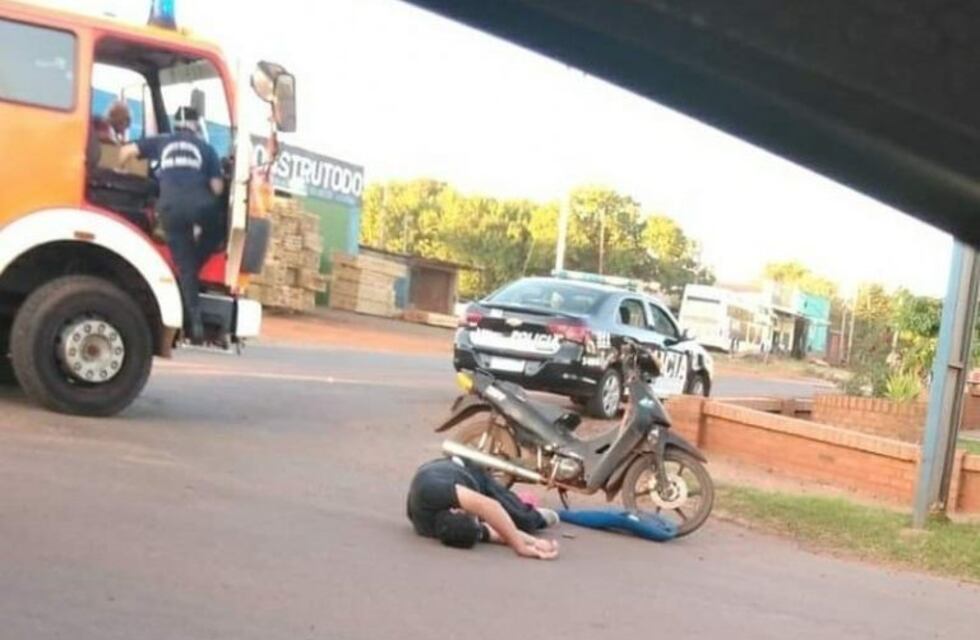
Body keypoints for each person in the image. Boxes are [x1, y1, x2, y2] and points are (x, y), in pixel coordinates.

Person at [117, 107, 225, 344]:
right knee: (218, 229)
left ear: (176, 124)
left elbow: (126, 151)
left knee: (186, 266)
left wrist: (121, 171)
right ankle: (193, 261)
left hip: (169, 209)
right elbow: (217, 188)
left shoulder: (162, 142)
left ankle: (194, 322)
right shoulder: (207, 149)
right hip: (200, 207)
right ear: (197, 126)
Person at [406, 456, 560, 559]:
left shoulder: (435, 493)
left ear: (454, 509)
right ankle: (521, 505)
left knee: (523, 519)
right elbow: (496, 533)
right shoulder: (441, 529)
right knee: (510, 526)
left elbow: (489, 507)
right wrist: (535, 543)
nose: (477, 519)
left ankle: (535, 515)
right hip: (453, 484)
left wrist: (520, 547)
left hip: (461, 468)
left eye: (471, 516)